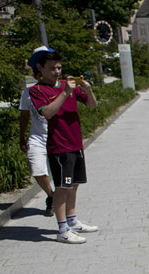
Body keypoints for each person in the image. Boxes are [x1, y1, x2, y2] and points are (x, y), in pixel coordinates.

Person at [27, 47, 98, 244]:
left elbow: (92, 105)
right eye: (52, 68)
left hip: (75, 143)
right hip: (59, 147)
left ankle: (72, 221)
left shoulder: (68, 86)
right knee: (61, 188)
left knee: (74, 186)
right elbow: (47, 113)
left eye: (59, 68)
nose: (57, 72)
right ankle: (62, 229)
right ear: (40, 68)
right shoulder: (37, 90)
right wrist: (65, 93)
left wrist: (88, 90)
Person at [18, 59, 54, 216]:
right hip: (37, 136)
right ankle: (51, 196)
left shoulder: (57, 90)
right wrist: (22, 136)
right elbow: (24, 116)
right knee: (37, 169)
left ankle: (60, 203)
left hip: (56, 135)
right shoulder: (27, 93)